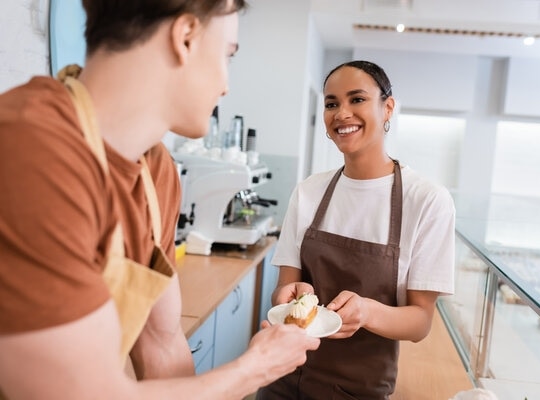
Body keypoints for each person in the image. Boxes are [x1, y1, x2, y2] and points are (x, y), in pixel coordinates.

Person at [0, 0, 319, 398]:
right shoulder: (29, 148)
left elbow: (161, 344)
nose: (226, 84)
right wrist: (252, 369)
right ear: (184, 38)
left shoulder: (156, 171)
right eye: (228, 55)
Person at [256, 60, 455, 399]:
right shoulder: (308, 192)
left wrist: (367, 312)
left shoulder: (426, 200)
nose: (341, 113)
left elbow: (421, 322)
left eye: (357, 99)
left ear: (387, 107)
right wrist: (291, 298)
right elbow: (282, 291)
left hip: (357, 390)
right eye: (331, 103)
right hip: (281, 378)